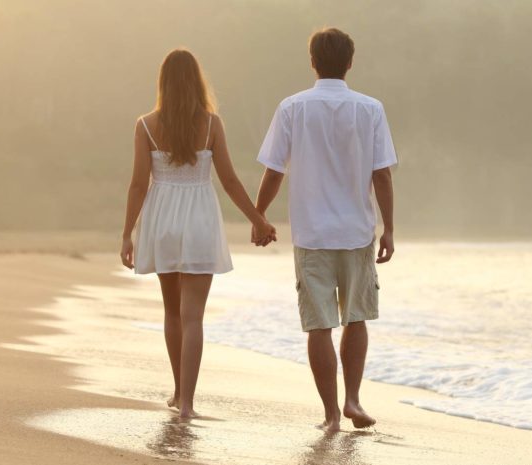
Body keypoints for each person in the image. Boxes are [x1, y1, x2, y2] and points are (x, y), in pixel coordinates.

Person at [254, 27, 397, 432]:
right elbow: (382, 175)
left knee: (319, 324)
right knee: (356, 318)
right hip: (356, 232)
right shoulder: (370, 109)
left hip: (313, 235)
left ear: (312, 61)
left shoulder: (292, 108)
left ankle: (332, 414)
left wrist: (259, 215)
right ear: (350, 62)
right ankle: (353, 398)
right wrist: (389, 230)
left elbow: (274, 170)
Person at [120, 49, 276, 420]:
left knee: (172, 312)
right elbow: (230, 181)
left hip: (161, 220)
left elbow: (138, 185)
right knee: (193, 317)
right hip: (200, 218)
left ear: (163, 83)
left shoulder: (145, 125)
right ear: (197, 81)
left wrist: (127, 234)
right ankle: (187, 402)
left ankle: (177, 392)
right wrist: (258, 219)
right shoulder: (211, 124)